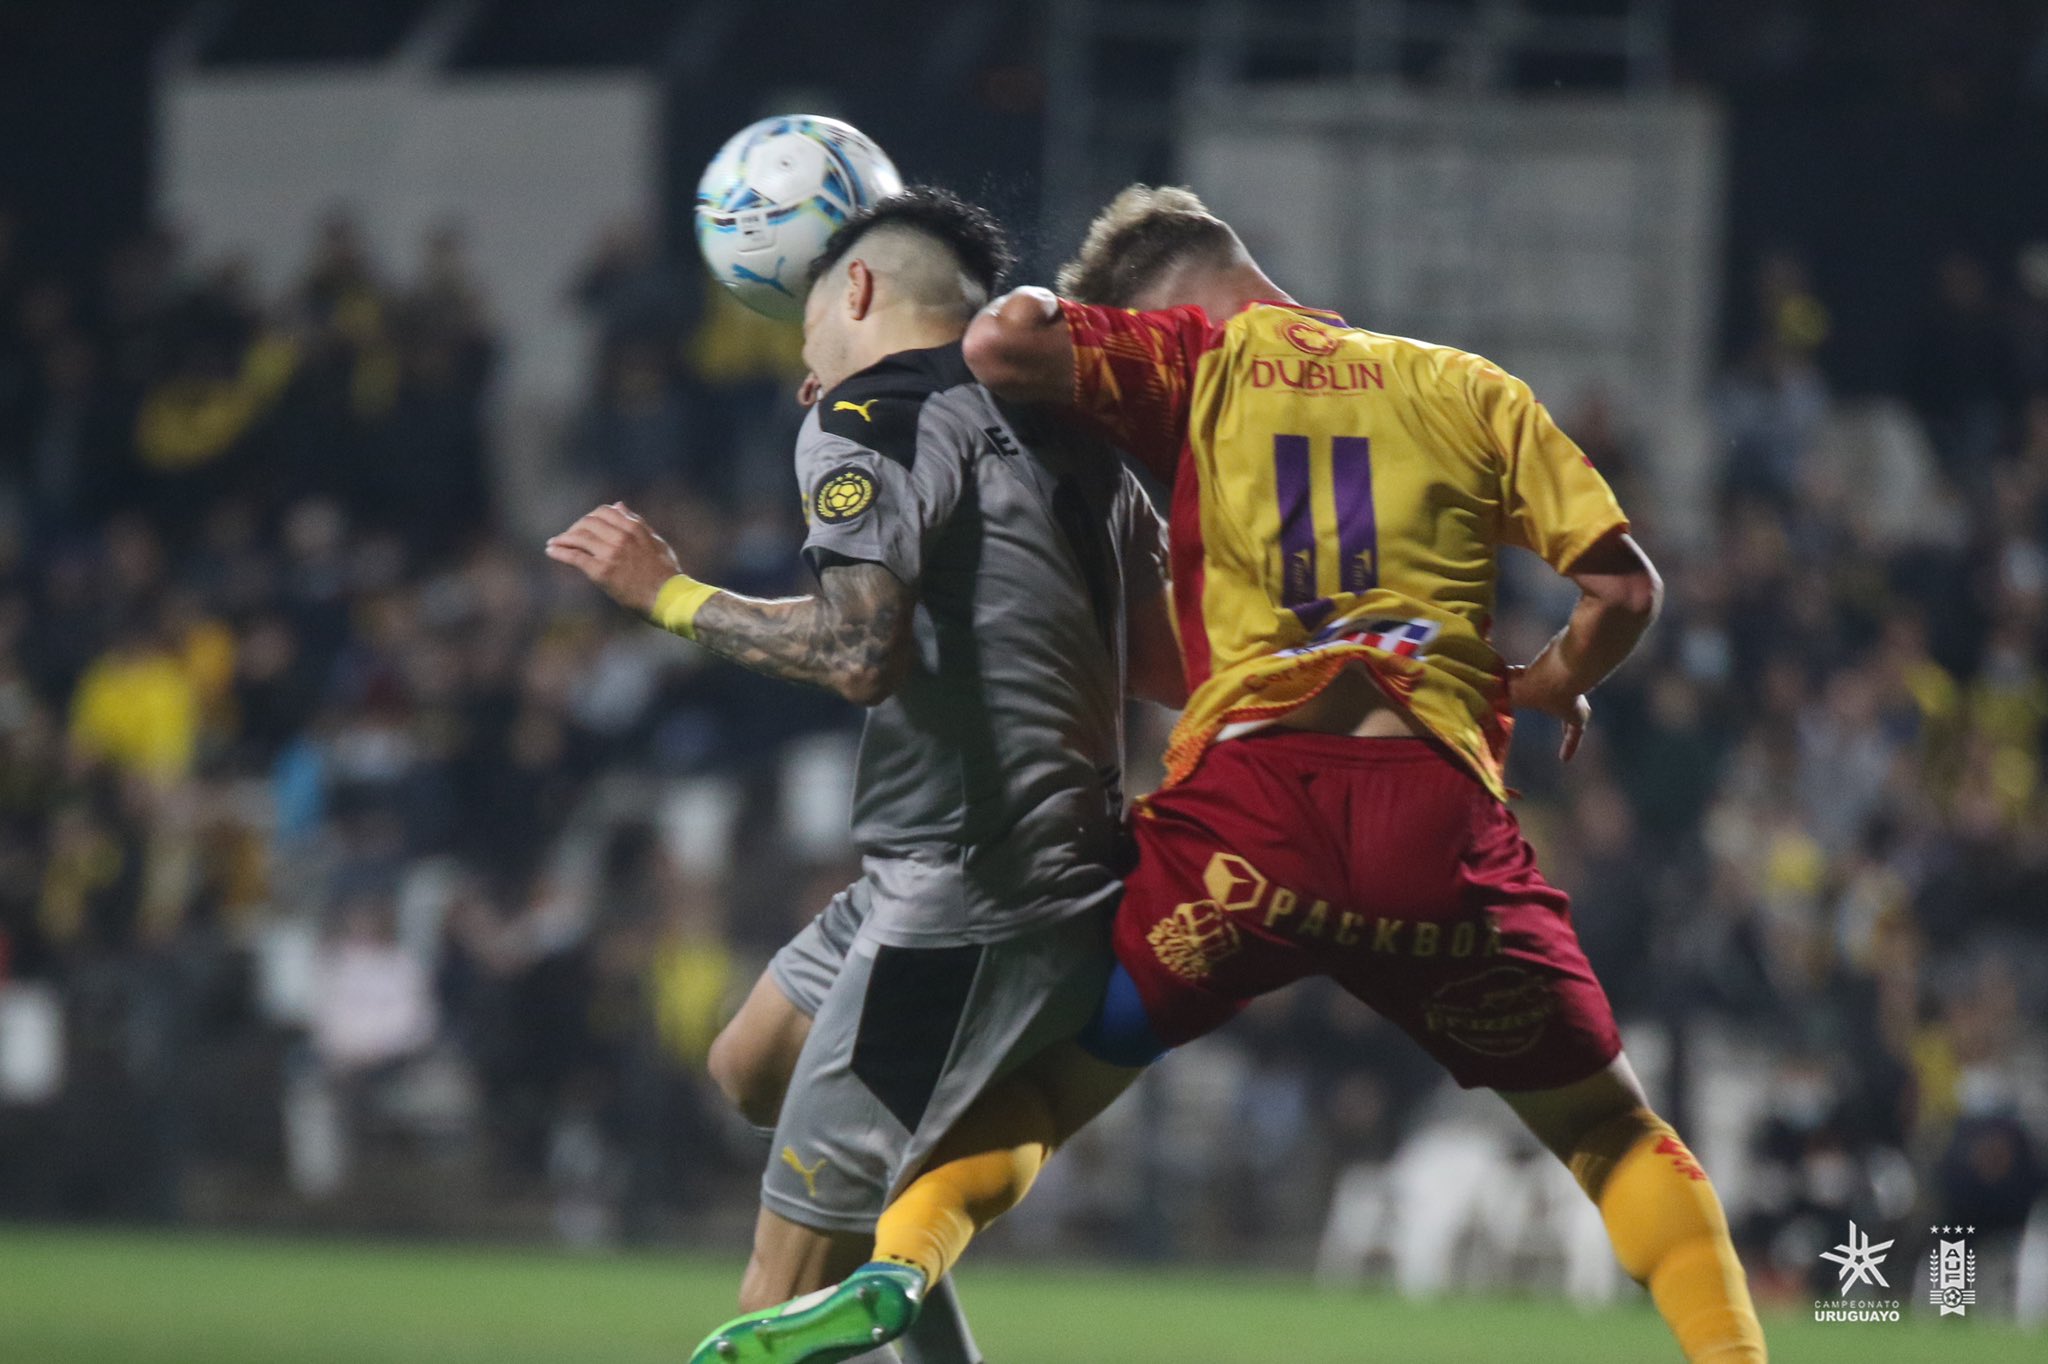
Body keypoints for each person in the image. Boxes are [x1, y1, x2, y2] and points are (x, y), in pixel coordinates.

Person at [717, 186, 1767, 1363]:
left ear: (1152, 306)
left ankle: (901, 1263)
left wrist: (1030, 331)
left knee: (1049, 1090)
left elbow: (999, 340)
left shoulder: (1194, 356)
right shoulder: (1467, 385)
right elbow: (1624, 591)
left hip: (1246, 832)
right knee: (1611, 1136)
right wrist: (1547, 675)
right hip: (1431, 823)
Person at [546, 188, 1181, 1364]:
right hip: (991, 870)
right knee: (750, 1070)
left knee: (775, 1297)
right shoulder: (1071, 426)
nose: (807, 372)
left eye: (805, 336)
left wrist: (670, 596)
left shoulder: (871, 411)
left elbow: (854, 651)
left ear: (856, 292)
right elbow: (1164, 658)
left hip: (965, 900)